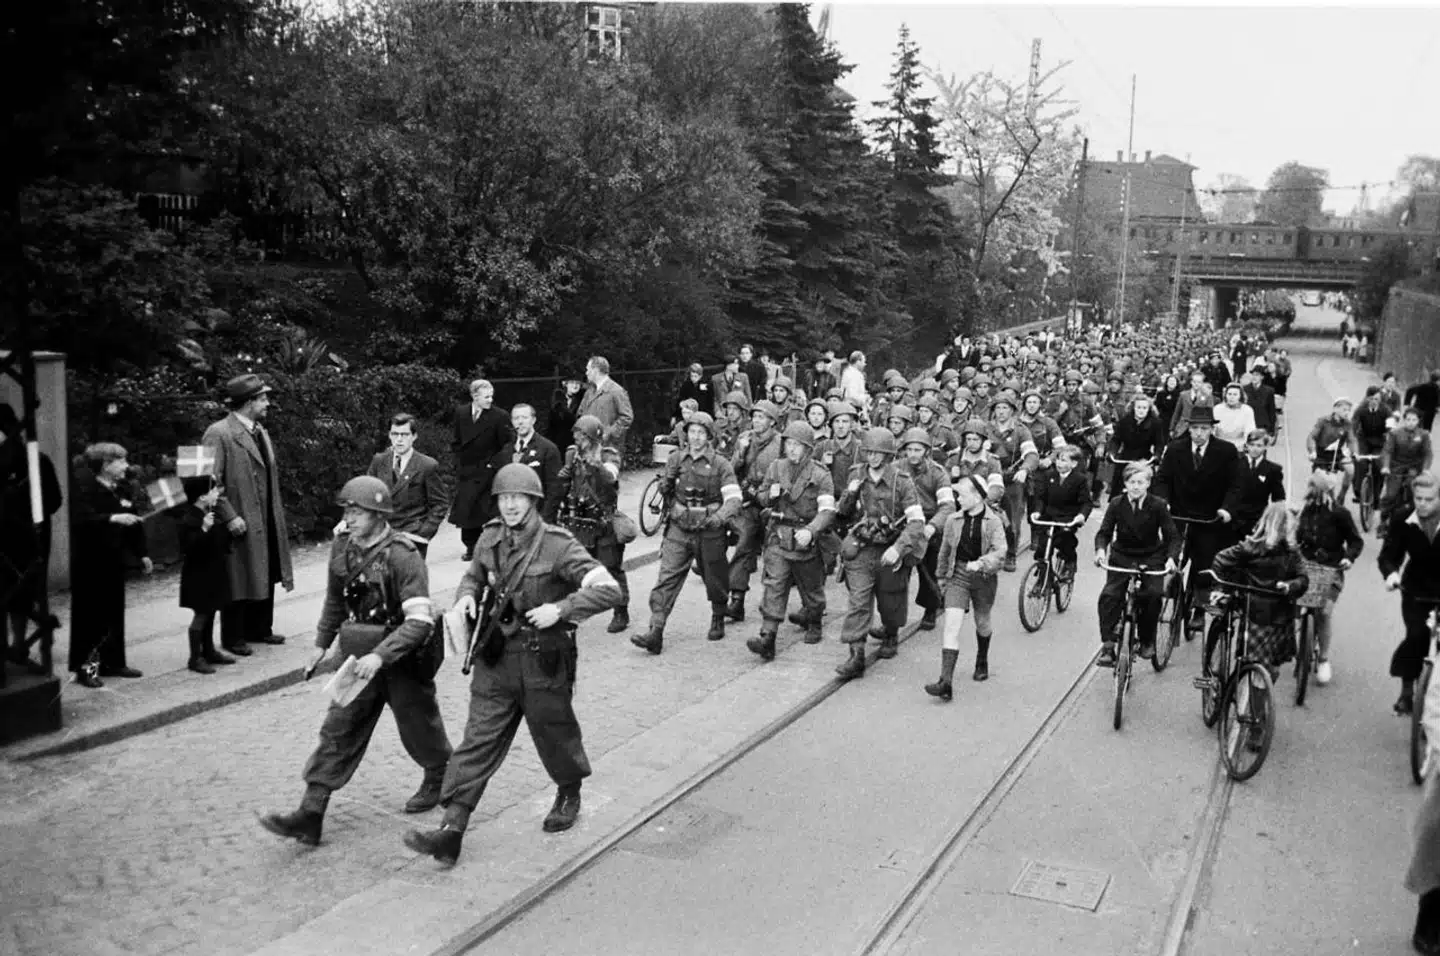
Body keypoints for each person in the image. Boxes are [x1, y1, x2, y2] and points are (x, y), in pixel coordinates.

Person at [403, 464, 623, 865]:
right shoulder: (489, 538)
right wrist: (466, 597)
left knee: (554, 734)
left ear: (534, 501)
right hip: (496, 658)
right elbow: (473, 576)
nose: (510, 506)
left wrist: (562, 608)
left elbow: (608, 588)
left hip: (544, 660)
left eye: (518, 498)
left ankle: (569, 790)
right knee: (477, 740)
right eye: (504, 498)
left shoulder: (559, 545)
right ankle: (452, 828)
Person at [259, 476, 453, 848]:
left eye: (357, 510)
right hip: (355, 654)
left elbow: (420, 621)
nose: (349, 516)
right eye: (346, 509)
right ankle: (310, 814)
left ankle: (438, 773)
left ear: (379, 514)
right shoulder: (343, 548)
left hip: (400, 658)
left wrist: (380, 657)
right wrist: (320, 644)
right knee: (338, 729)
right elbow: (335, 600)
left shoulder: (403, 555)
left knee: (419, 725)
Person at [631, 413, 742, 654]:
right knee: (666, 577)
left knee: (715, 576)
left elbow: (734, 498)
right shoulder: (676, 459)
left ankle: (718, 614)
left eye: (701, 432)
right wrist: (670, 498)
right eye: (692, 431)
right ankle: (656, 630)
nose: (696, 437)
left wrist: (719, 518)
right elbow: (666, 492)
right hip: (680, 528)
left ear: (709, 435)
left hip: (710, 530)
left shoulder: (721, 464)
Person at [202, 374, 294, 656]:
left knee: (264, 569)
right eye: (263, 398)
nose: (267, 403)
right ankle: (233, 636)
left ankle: (259, 629)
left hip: (264, 513)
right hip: (239, 516)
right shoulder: (219, 433)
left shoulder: (259, 431)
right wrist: (228, 515)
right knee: (238, 575)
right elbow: (207, 480)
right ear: (248, 402)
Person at [833, 428, 927, 679]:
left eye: (878, 453)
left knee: (890, 598)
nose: (873, 457)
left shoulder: (902, 481)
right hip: (863, 547)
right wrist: (850, 493)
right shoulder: (856, 475)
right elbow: (842, 513)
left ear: (887, 454)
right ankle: (856, 655)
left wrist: (898, 549)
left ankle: (891, 632)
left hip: (890, 547)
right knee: (859, 600)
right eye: (869, 452)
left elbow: (916, 522)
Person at [747, 421, 835, 659]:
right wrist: (768, 495)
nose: (792, 449)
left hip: (805, 537)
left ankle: (814, 620)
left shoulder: (820, 474)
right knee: (774, 585)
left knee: (811, 589)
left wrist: (812, 530)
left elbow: (827, 511)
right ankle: (768, 636)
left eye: (798, 445)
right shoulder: (776, 467)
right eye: (789, 444)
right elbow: (762, 498)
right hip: (779, 534)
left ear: (808, 448)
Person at [68, 443, 152, 686]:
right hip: (89, 562)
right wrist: (113, 518)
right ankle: (87, 669)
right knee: (90, 616)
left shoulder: (123, 488)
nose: (126, 466)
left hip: (114, 559)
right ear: (106, 464)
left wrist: (142, 554)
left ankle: (114, 662)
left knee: (114, 612)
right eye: (121, 461)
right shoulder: (85, 488)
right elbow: (82, 519)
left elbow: (135, 522)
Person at [1208, 503, 1309, 703]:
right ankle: (1253, 711)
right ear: (1276, 525)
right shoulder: (1251, 547)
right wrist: (1219, 589)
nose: (1292, 530)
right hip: (1255, 612)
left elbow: (1303, 579)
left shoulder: (1292, 552)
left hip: (1281, 615)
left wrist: (1289, 586)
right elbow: (1220, 560)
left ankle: (1255, 703)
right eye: (1288, 526)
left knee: (1272, 669)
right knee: (1257, 664)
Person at [926, 475, 1007, 697]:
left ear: (977, 496)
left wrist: (981, 563)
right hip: (958, 575)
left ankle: (982, 659)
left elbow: (1000, 552)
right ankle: (945, 682)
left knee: (982, 621)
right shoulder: (953, 520)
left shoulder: (994, 521)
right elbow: (944, 550)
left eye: (962, 495)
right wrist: (941, 577)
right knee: (951, 626)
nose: (958, 499)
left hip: (983, 578)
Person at [1093, 462, 1179, 665]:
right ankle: (1108, 645)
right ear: (1125, 484)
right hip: (1122, 555)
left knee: (1153, 595)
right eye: (1132, 482)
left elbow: (1173, 536)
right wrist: (1100, 551)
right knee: (1109, 596)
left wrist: (1171, 558)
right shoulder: (1116, 503)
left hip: (1151, 556)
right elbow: (1104, 532)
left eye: (1141, 482)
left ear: (1148, 484)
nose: (1136, 486)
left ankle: (1147, 640)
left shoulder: (1158, 505)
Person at [0, 403, 62, 671]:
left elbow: (52, 500)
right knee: (22, 594)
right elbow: (54, 501)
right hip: (29, 537)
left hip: (22, 539)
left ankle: (17, 646)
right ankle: (18, 645)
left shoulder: (34, 461)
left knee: (18, 593)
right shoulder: (37, 459)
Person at [556, 414, 631, 635]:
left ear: (592, 437)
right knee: (574, 570)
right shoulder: (572, 454)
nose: (577, 438)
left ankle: (621, 610)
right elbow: (565, 483)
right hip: (578, 522)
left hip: (602, 522)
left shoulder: (609, 455)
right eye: (576, 434)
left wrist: (596, 465)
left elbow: (611, 479)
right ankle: (572, 611)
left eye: (581, 435)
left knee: (611, 568)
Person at [1295, 471, 1363, 687]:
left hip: (1331, 569)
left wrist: (1348, 558)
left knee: (1324, 612)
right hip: (1305, 569)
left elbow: (1355, 542)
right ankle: (1297, 644)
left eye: (1314, 488)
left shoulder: (1340, 514)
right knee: (1292, 605)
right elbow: (1296, 538)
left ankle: (1323, 658)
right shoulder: (1304, 511)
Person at [1381, 472, 1440, 716]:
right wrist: (1391, 574)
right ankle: (1407, 693)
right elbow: (1388, 555)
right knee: (1416, 635)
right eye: (1419, 498)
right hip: (1416, 590)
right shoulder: (1403, 518)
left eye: (1429, 499)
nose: (1423, 504)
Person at [725, 400, 784, 623]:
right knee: (744, 543)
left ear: (772, 421)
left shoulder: (780, 443)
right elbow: (730, 470)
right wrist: (740, 452)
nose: (757, 421)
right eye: (755, 416)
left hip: (772, 503)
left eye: (762, 417)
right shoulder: (745, 439)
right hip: (749, 501)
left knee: (776, 554)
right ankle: (737, 599)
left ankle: (802, 605)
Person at [893, 428, 956, 632]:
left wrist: (933, 526)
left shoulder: (938, 473)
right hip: (905, 522)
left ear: (927, 451)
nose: (913, 454)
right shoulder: (895, 468)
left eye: (918, 449)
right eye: (909, 449)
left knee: (929, 571)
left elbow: (948, 506)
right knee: (897, 573)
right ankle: (893, 620)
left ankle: (930, 609)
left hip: (930, 523)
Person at [363, 413, 449, 559]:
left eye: (404, 434)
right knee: (378, 580)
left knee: (409, 580)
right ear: (389, 435)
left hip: (411, 539)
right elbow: (365, 496)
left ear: (414, 436)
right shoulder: (379, 461)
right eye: (395, 434)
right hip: (381, 536)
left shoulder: (426, 465)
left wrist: (423, 534)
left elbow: (440, 504)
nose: (399, 439)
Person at [174, 477, 235, 674]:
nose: (217, 493)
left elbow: (219, 541)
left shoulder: (208, 513)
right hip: (199, 575)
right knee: (201, 614)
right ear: (202, 496)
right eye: (214, 490)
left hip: (213, 571)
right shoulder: (190, 518)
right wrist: (204, 529)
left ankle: (209, 651)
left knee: (211, 611)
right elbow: (189, 547)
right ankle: (195, 657)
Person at [450, 379, 514, 562]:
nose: (490, 400)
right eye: (486, 396)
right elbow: (456, 439)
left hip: (488, 471)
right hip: (467, 469)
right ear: (474, 396)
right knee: (467, 511)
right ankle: (470, 547)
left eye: (492, 396)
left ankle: (488, 546)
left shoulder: (499, 416)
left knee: (485, 511)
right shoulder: (461, 413)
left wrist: (494, 464)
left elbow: (507, 444)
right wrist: (457, 460)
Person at [1029, 444, 1092, 582]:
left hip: (1068, 517)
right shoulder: (1049, 475)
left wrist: (1081, 516)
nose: (1059, 463)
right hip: (1049, 516)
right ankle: (1042, 578)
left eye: (1064, 460)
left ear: (1074, 463)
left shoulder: (1080, 480)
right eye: (1058, 459)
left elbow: (1086, 502)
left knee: (1066, 540)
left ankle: (1070, 563)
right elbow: (1041, 497)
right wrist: (1037, 511)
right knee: (1043, 548)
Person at [495, 403, 564, 522]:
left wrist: (543, 521)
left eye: (524, 418)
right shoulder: (506, 451)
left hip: (537, 518)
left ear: (533, 420)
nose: (520, 422)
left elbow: (555, 490)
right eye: (516, 418)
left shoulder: (548, 449)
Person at [1380, 406, 1435, 532]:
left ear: (1418, 421)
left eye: (1414, 420)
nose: (1411, 422)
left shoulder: (1424, 435)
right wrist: (1386, 466)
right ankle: (1383, 520)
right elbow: (1388, 451)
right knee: (1390, 495)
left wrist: (1426, 469)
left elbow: (1428, 453)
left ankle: (1414, 521)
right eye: (1408, 419)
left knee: (1414, 493)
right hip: (1396, 467)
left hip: (1414, 468)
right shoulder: (1395, 433)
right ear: (1404, 420)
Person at [1107, 393, 1166, 498]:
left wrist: (1157, 456)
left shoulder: (1155, 423)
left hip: (1144, 459)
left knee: (1149, 488)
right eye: (1138, 407)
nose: (1141, 410)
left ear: (1149, 409)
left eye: (1144, 408)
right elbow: (1116, 440)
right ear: (1133, 408)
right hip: (1126, 458)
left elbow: (1159, 443)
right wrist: (1112, 453)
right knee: (1119, 489)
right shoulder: (1124, 421)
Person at [1306, 396, 1357, 505]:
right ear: (1335, 409)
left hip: (1337, 454)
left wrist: (1352, 452)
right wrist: (1313, 452)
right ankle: (1330, 500)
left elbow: (1352, 440)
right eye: (1344, 410)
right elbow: (1312, 437)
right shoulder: (1323, 421)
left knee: (1351, 469)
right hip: (1321, 454)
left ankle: (1342, 494)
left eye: (1348, 410)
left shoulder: (1348, 424)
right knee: (1325, 483)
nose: (1347, 413)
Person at [577, 356, 634, 451]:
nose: (586, 373)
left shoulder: (616, 391)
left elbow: (627, 417)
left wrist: (608, 433)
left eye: (588, 369)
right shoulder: (589, 392)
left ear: (596, 370)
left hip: (608, 448)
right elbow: (580, 413)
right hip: (589, 448)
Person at [1353, 386, 1392, 509]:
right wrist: (1351, 440)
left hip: (1380, 441)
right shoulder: (1361, 409)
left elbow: (1391, 429)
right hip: (1364, 439)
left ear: (1380, 399)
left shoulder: (1386, 410)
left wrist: (1389, 437)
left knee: (1377, 466)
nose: (1374, 401)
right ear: (1367, 399)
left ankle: (1376, 498)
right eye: (1371, 398)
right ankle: (1359, 491)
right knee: (1361, 462)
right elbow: (1353, 425)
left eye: (1377, 399)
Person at [546, 376, 585, 454]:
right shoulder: (557, 398)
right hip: (557, 438)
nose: (575, 385)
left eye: (578, 383)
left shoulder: (582, 398)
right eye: (572, 383)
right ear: (565, 384)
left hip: (575, 438)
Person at [1213, 383, 1257, 449]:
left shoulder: (1247, 410)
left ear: (1240, 396)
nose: (1232, 397)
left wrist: (1245, 445)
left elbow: (1250, 430)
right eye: (1229, 394)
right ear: (1225, 395)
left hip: (1239, 446)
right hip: (1219, 445)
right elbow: (1212, 429)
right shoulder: (1217, 409)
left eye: (1235, 394)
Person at [840, 351, 869, 421]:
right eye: (863, 362)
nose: (865, 364)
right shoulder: (854, 375)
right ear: (858, 361)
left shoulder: (848, 372)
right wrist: (865, 398)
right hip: (853, 409)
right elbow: (852, 395)